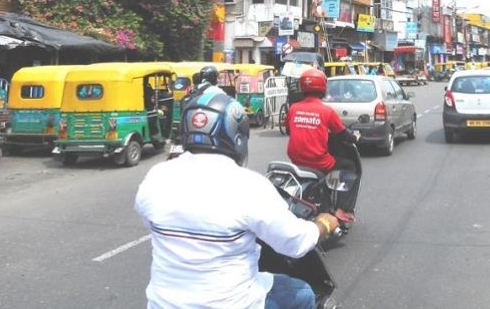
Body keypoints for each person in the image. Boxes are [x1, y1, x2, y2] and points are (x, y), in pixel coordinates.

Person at [135, 91, 340, 309]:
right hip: (236, 303)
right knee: (303, 293)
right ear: (237, 136)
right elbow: (295, 243)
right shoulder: (249, 186)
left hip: (162, 304)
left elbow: (149, 221)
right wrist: (323, 224)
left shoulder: (156, 177)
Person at [286, 69, 360, 224]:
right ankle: (343, 208)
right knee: (350, 166)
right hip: (319, 162)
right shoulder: (326, 111)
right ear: (323, 88)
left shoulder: (293, 108)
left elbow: (288, 129)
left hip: (296, 160)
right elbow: (343, 134)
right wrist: (355, 137)